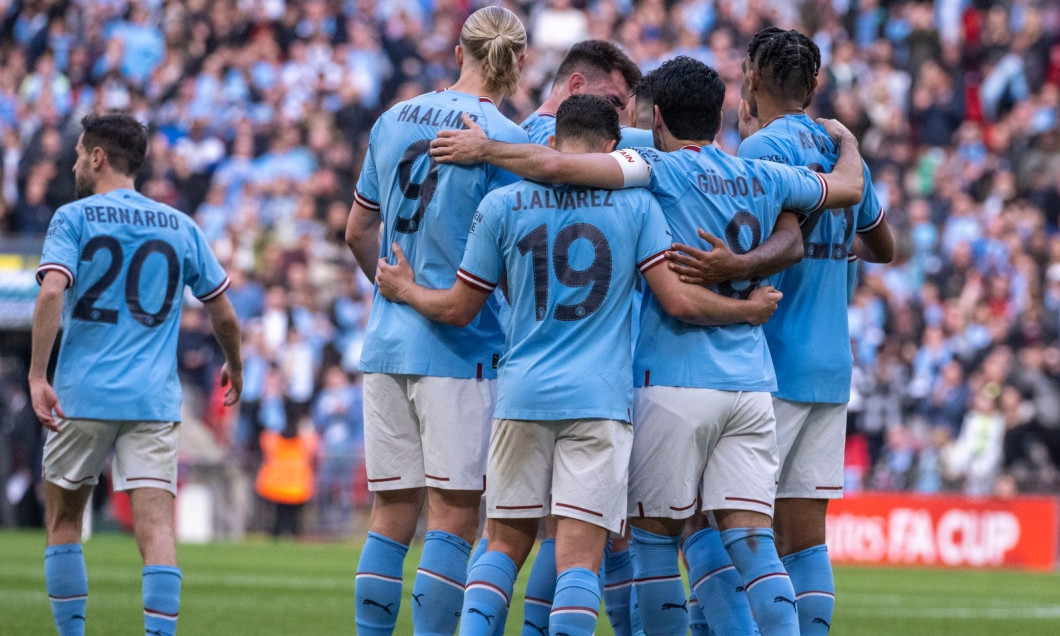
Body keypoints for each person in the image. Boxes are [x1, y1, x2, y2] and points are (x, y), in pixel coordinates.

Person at [427, 56, 864, 636]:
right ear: (720, 115)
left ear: (654, 118)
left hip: (665, 378)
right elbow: (849, 191)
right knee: (752, 542)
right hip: (750, 381)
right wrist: (848, 139)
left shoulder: (651, 171)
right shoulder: (761, 174)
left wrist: (486, 151)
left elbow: (560, 166)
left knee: (641, 540)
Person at [376, 93, 781, 636]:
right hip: (599, 403)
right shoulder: (638, 207)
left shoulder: (502, 205)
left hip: (521, 396)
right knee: (579, 561)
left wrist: (405, 288)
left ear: (550, 143)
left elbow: (458, 307)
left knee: (501, 545)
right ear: (611, 150)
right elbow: (679, 301)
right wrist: (746, 309)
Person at [667, 28, 895, 635]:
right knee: (804, 540)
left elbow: (779, 244)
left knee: (727, 529)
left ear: (753, 80)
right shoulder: (840, 150)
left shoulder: (758, 148)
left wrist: (735, 267)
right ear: (814, 85)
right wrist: (837, 248)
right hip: (830, 367)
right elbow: (884, 245)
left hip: (766, 361)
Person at [343, 7, 529, 635]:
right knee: (453, 518)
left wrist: (391, 288)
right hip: (462, 347)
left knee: (389, 515)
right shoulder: (507, 139)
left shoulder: (392, 119)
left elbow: (356, 230)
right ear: (518, 62)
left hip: (387, 343)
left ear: (459, 51)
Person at [29, 112, 242, 636]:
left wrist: (37, 375)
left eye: (81, 154)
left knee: (62, 522)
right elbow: (223, 312)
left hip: (81, 396)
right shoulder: (181, 224)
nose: (78, 162)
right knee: (156, 531)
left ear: (98, 157)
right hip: (151, 401)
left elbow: (52, 291)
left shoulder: (73, 217)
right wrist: (235, 367)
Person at [515, 38, 645, 635]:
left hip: (516, 373)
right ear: (575, 89)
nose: (626, 117)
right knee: (594, 538)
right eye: (616, 102)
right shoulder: (633, 161)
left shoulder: (500, 149)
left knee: (510, 540)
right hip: (602, 377)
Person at [256, 418, 319, 538]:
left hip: (277, 486)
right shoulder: (302, 443)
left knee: (280, 514)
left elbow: (265, 440)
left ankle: (279, 532)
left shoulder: (275, 442)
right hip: (296, 487)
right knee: (293, 516)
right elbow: (313, 445)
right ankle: (293, 532)